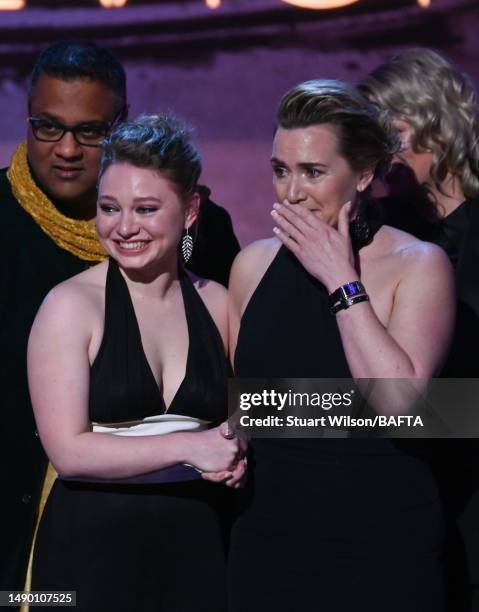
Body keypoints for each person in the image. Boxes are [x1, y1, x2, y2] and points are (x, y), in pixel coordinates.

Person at [0, 40, 239, 595]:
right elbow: (70, 447)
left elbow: (262, 399)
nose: (65, 149)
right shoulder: (66, 300)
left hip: (195, 542)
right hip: (48, 520)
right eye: (47, 126)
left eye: (88, 131)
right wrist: (192, 446)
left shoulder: (213, 279)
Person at [227, 79, 455, 611]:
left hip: (380, 550)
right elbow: (250, 406)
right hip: (268, 542)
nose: (291, 193)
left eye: (313, 172)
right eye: (281, 171)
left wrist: (340, 280)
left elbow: (399, 405)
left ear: (365, 174)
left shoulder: (419, 266)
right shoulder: (252, 265)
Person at [359, 48, 479, 611]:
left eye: (395, 134)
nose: (385, 155)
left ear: (438, 120)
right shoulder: (385, 228)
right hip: (409, 486)